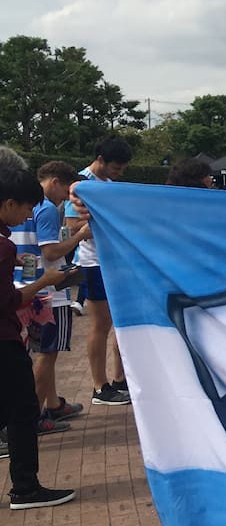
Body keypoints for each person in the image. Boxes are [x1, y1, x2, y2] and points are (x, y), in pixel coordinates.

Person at [0, 167, 76, 509]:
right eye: (26, 207)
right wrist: (44, 282)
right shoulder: (2, 246)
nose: (29, 214)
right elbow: (8, 301)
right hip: (4, 340)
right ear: (9, 203)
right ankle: (26, 488)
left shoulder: (4, 245)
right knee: (23, 411)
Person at [13, 162, 90, 430]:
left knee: (45, 352)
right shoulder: (44, 208)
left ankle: (54, 404)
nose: (66, 199)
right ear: (55, 182)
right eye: (66, 192)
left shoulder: (22, 205)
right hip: (48, 292)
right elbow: (51, 253)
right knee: (48, 354)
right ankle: (33, 416)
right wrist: (80, 235)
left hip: (25, 287)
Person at [64, 137, 133, 406]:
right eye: (116, 168)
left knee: (118, 322)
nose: (120, 173)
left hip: (114, 263)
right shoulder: (81, 185)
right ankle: (98, 386)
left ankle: (118, 380)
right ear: (101, 159)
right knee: (100, 325)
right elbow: (72, 227)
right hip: (94, 263)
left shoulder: (108, 186)